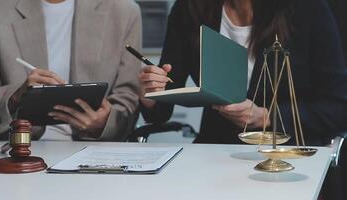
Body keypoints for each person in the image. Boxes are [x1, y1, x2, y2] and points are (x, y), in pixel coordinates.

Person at [140, 0, 347, 145]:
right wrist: (151, 91)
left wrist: (268, 117)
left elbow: (339, 107)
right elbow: (161, 107)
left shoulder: (307, 8)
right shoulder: (190, 8)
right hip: (216, 152)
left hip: (288, 151)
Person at [0, 0, 141, 141]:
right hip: (15, 144)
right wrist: (15, 97)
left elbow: (127, 97)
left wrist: (105, 122)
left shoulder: (123, 12)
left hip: (92, 146)